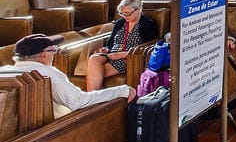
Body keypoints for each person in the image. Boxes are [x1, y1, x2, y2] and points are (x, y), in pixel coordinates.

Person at [0, 34, 135, 116]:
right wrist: (122, 90)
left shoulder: (4, 71)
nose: (55, 53)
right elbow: (79, 102)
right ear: (43, 54)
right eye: (53, 50)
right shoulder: (48, 73)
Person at [86, 0, 160, 92]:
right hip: (112, 54)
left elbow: (148, 49)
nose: (125, 16)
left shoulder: (147, 25)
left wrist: (122, 54)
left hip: (128, 58)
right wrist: (106, 49)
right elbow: (110, 43)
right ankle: (96, 100)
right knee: (94, 58)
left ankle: (93, 100)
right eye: (122, 13)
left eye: (128, 13)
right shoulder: (120, 23)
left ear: (139, 10)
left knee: (94, 75)